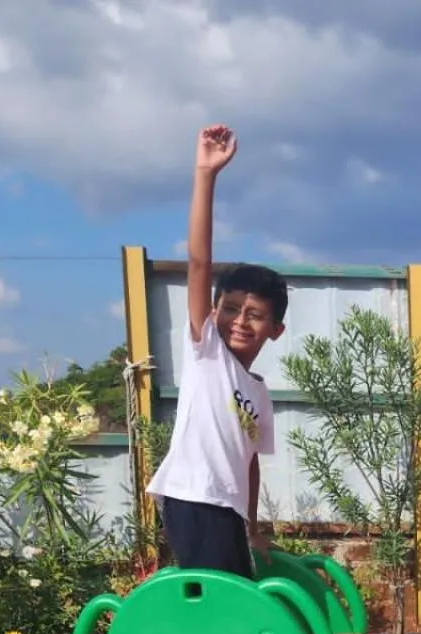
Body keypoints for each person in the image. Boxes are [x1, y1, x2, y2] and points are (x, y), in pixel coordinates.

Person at [146, 124, 285, 579]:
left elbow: (249, 463)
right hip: (193, 497)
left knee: (237, 594)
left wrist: (253, 527)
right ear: (213, 311)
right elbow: (199, 264)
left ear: (275, 330)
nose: (240, 321)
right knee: (223, 600)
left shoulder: (258, 392)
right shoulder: (207, 352)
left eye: (254, 314)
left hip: (227, 510)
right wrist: (206, 174)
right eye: (230, 308)